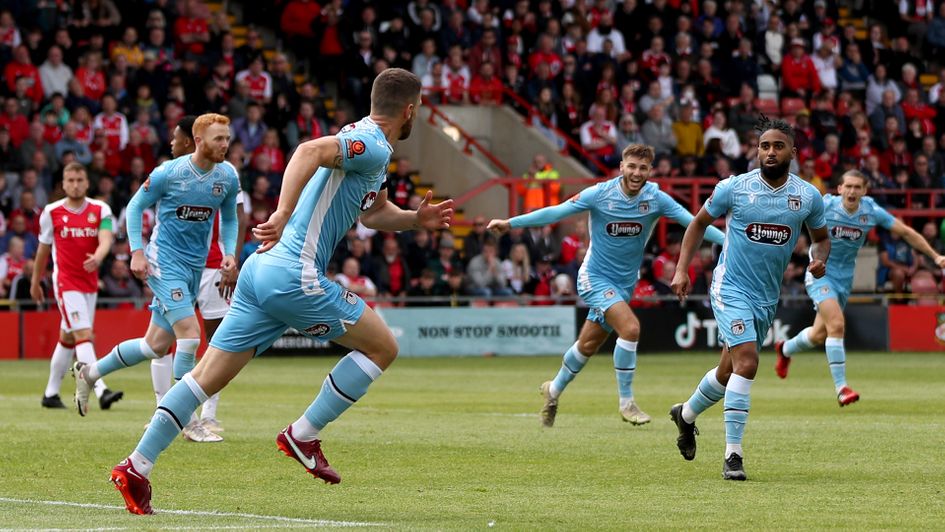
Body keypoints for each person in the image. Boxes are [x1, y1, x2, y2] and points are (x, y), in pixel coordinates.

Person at [107, 68, 453, 515]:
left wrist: (414, 220)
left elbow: (375, 212)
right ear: (409, 109)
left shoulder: (365, 143)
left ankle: (136, 466)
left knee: (203, 378)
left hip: (259, 271)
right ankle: (303, 434)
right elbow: (308, 150)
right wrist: (284, 211)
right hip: (294, 274)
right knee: (383, 347)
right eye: (418, 111)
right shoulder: (373, 142)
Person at [488, 144, 726, 428]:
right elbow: (556, 212)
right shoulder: (600, 194)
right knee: (631, 328)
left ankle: (553, 390)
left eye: (642, 168)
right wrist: (511, 223)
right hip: (593, 278)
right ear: (622, 167)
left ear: (650, 171)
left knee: (588, 344)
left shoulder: (656, 199)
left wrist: (731, 241)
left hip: (623, 285)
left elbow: (695, 222)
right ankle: (627, 403)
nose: (636, 173)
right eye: (632, 166)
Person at [668, 117, 830, 481]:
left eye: (778, 146)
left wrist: (819, 258)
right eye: (764, 146)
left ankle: (686, 415)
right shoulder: (735, 188)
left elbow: (820, 237)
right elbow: (697, 224)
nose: (770, 152)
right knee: (748, 362)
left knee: (728, 371)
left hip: (765, 296)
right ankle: (733, 456)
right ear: (757, 151)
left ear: (793, 152)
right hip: (730, 287)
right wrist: (682, 269)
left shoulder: (807, 196)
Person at [71, 113, 240, 431]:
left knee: (154, 346)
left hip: (194, 266)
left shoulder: (227, 177)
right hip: (163, 262)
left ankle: (89, 373)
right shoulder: (169, 173)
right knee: (190, 334)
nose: (225, 144)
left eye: (228, 138)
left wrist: (229, 252)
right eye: (219, 139)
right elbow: (135, 207)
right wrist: (136, 251)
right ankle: (185, 418)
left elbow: (230, 218)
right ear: (199, 140)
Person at [775, 170, 945, 404]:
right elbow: (791, 218)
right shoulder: (825, 205)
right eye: (849, 186)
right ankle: (842, 388)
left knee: (818, 335)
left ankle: (784, 349)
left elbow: (905, 232)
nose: (852, 191)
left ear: (864, 191)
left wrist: (935, 257)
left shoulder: (871, 211)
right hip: (820, 273)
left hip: (844, 280)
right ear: (840, 189)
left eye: (857, 187)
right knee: (836, 325)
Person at [145, 115, 249, 442]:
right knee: (164, 341)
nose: (172, 142)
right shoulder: (171, 174)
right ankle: (165, 410)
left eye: (177, 136)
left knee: (218, 341)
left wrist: (233, 261)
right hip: (177, 266)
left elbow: (238, 218)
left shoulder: (226, 175)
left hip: (215, 266)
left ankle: (208, 414)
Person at [32, 163, 123, 410]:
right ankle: (101, 389)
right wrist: (35, 281)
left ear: (86, 183)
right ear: (63, 183)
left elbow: (106, 239)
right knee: (84, 336)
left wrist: (98, 257)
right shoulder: (52, 212)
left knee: (68, 338)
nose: (74, 184)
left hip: (89, 283)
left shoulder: (100, 209)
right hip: (65, 283)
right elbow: (43, 249)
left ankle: (50, 394)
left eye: (79, 179)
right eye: (69, 180)